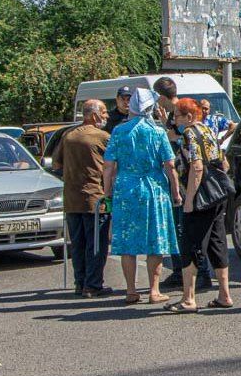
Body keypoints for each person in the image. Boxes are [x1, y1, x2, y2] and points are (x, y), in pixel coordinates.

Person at [102, 87, 181, 304]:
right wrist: (176, 192)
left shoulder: (119, 131)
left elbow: (108, 165)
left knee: (127, 241)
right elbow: (170, 165)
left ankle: (130, 290)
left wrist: (107, 191)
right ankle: (154, 290)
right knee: (155, 240)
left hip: (126, 188)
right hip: (154, 188)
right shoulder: (158, 132)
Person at [165, 99, 235, 313]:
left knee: (191, 244)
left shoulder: (189, 134)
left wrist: (189, 200)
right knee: (217, 242)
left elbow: (196, 167)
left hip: (201, 196)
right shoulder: (207, 130)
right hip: (218, 195)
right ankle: (224, 294)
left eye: (177, 115)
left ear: (189, 117)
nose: (174, 119)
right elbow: (224, 162)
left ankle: (188, 299)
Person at [153, 76, 213, 291]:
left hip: (187, 176)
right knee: (180, 227)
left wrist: (165, 130)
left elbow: (180, 139)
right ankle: (182, 271)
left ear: (161, 95)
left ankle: (200, 272)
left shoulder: (182, 113)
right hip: (180, 174)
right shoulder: (173, 113)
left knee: (187, 228)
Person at [53, 100, 112, 298]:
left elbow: (56, 164)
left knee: (78, 244)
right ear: (93, 115)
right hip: (95, 198)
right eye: (103, 113)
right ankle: (93, 284)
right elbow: (113, 166)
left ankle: (80, 282)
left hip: (71, 198)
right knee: (96, 244)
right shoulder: (103, 137)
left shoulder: (68, 135)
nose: (106, 116)